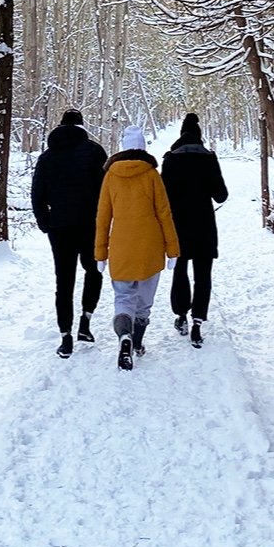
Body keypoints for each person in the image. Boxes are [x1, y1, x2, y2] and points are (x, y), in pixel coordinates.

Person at [95, 126, 179, 370]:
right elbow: (164, 213)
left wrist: (100, 252)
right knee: (143, 302)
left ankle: (124, 336)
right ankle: (138, 342)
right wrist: (172, 249)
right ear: (143, 147)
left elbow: (103, 217)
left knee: (123, 297)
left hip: (121, 246)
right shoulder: (152, 174)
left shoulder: (111, 175)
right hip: (150, 247)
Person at [31, 108, 108, 358]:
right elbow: (106, 190)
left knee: (63, 280)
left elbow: (37, 194)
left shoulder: (47, 157)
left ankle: (65, 336)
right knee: (93, 271)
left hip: (60, 226)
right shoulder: (95, 152)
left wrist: (45, 222)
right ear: (81, 127)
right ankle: (85, 322)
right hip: (91, 224)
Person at [160, 113, 228, 348]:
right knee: (203, 274)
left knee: (180, 270)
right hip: (204, 225)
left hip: (178, 225)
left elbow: (162, 197)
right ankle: (197, 321)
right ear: (200, 136)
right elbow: (221, 195)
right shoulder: (209, 159)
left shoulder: (170, 159)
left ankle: (181, 315)